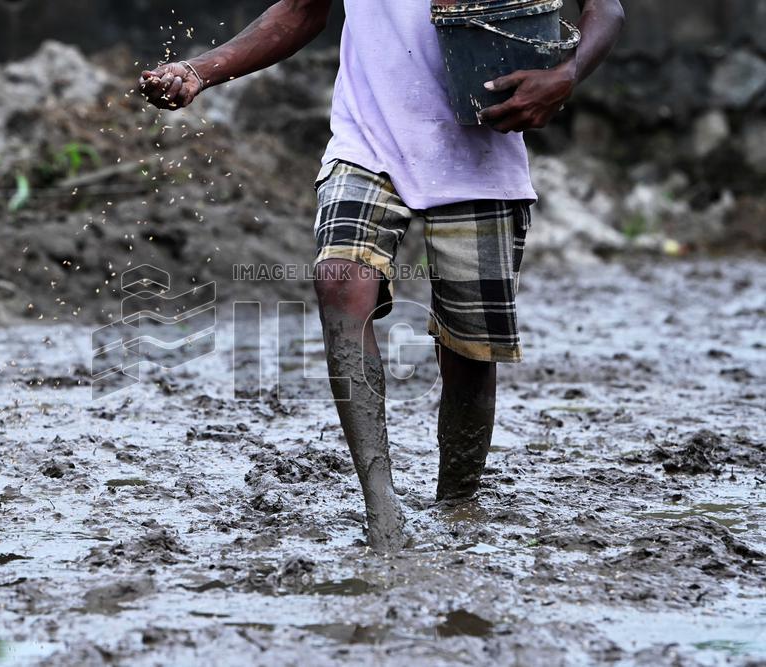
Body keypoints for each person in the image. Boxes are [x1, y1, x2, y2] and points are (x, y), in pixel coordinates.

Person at [139, 0, 625, 552]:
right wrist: (199, 71)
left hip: (481, 147)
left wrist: (565, 75)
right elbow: (300, 12)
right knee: (339, 278)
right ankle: (381, 507)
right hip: (367, 141)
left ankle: (457, 502)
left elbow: (605, 8)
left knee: (470, 349)